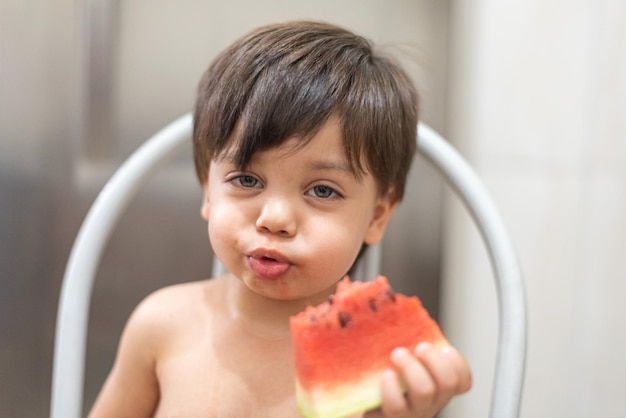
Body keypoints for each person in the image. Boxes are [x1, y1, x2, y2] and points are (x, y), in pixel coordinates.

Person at [88, 20, 471, 418]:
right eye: (247, 179)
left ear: (377, 216)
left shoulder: (389, 373)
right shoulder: (161, 325)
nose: (274, 219)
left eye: (323, 190)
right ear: (208, 192)